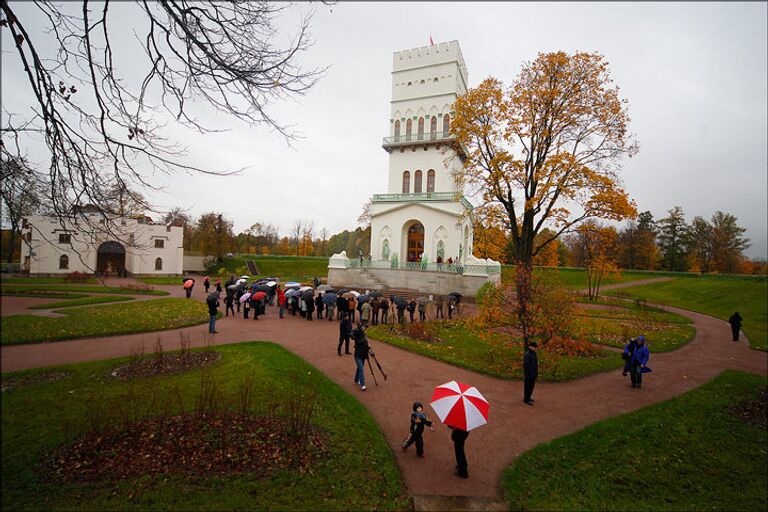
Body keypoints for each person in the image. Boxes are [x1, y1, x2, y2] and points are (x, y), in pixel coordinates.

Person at [353, 325, 370, 391]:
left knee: (359, 368)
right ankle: (363, 385)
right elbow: (355, 332)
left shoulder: (365, 339)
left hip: (363, 356)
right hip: (358, 356)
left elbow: (366, 348)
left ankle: (356, 379)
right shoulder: (358, 336)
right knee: (361, 369)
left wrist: (368, 347)